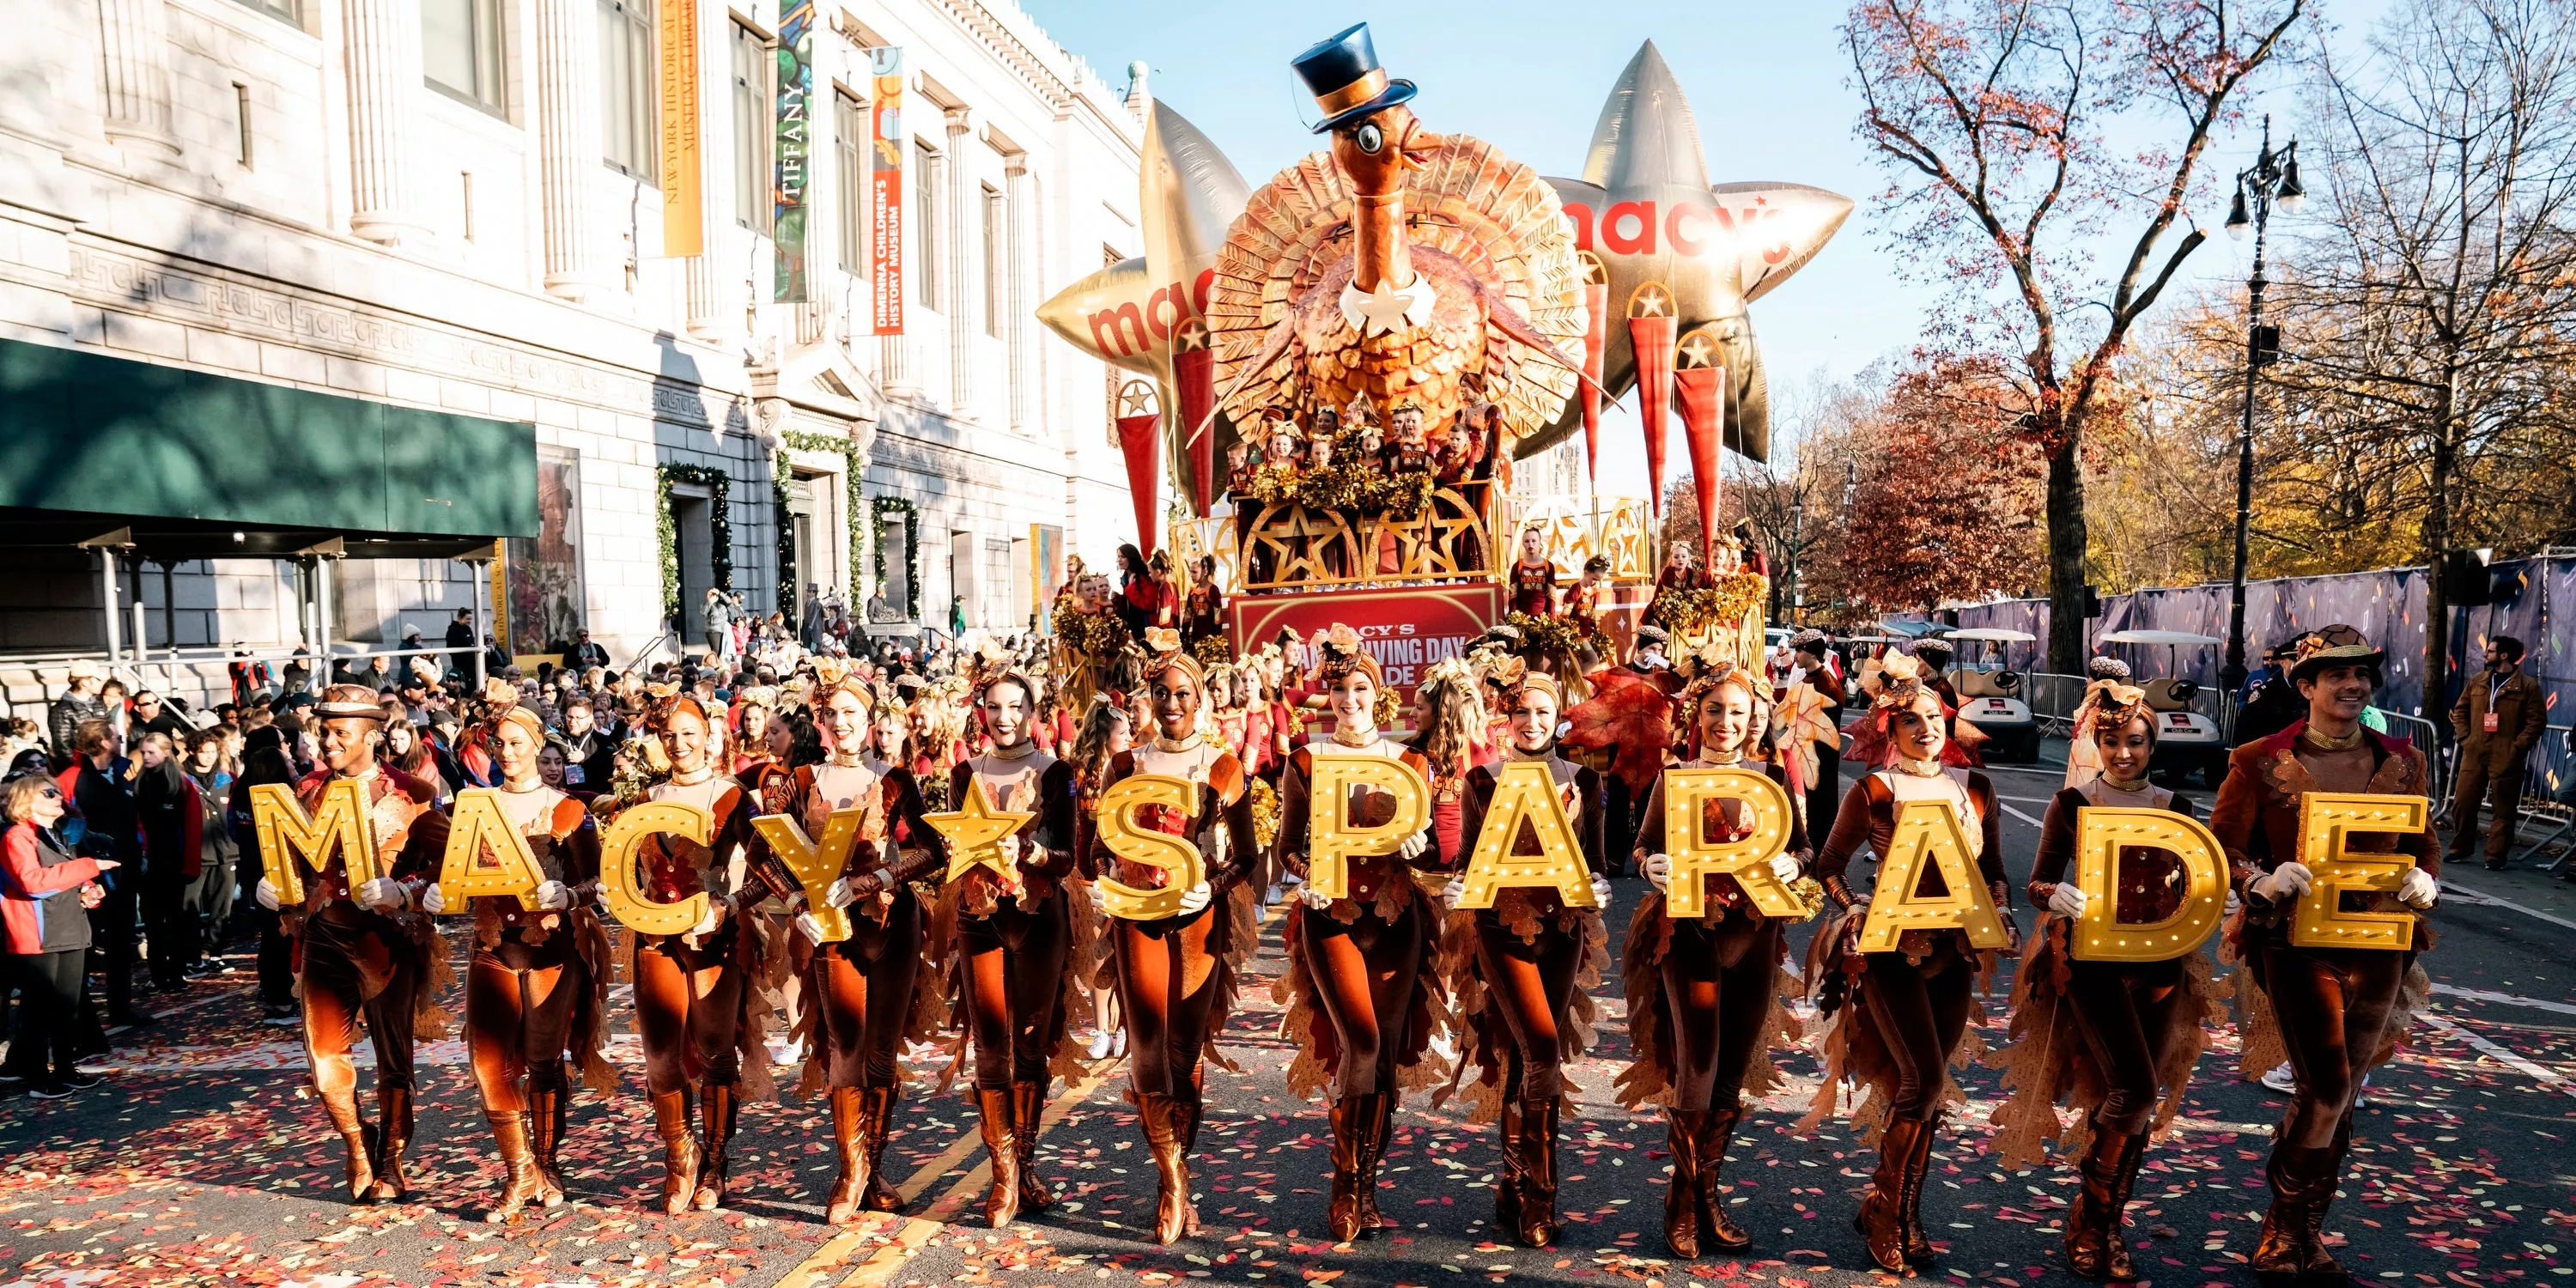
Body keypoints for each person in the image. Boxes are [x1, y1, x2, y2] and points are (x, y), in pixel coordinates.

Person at [2208, 624, 2438, 1287]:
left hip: (2381, 947)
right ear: (2305, 686)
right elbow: (2222, 849)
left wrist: (2429, 878)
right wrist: (2259, 880)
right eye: (2336, 674)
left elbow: (2423, 843)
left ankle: (2301, 1234)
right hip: (2295, 945)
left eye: (2362, 673)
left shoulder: (2403, 758)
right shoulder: (2256, 758)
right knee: (2329, 1085)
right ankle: (2284, 1230)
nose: (2353, 684)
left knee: (2339, 1093)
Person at [1990, 677, 2227, 1279]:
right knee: (2136, 1090)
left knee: (2132, 1103)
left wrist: (2209, 895)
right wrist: (2055, 894)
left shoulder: (2176, 808)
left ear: (2154, 745)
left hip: (2160, 964)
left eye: (2138, 742)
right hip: (2090, 962)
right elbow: (2037, 880)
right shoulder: (2072, 803)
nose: (2126, 753)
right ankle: (2090, 1223)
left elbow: (2196, 877)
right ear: (2096, 742)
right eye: (2114, 741)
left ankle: (2103, 1226)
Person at [1800, 655, 2009, 1273]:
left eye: (1934, 719)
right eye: (1911, 722)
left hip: (1955, 950)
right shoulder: (1875, 790)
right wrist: (1855, 907)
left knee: (1931, 1088)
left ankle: (1905, 1212)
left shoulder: (1975, 788)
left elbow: (1993, 872)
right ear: (1889, 732)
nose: (1926, 730)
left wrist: (2004, 910)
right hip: (1890, 949)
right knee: (1919, 1080)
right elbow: (1829, 868)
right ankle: (1887, 1214)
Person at [1625, 665, 1809, 1258]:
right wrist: (1650, 865)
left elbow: (1804, 845)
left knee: (1730, 1072)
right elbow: (1644, 844)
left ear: (1754, 717)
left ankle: (1708, 1195)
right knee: (1698, 1063)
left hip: (1754, 934)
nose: (1726, 722)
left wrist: (1794, 866)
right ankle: (1681, 1199)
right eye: (1714, 710)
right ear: (1696, 716)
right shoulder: (1674, 776)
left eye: (1737, 711)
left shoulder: (1773, 776)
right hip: (1689, 935)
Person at [1272, 624, 1446, 1242]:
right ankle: (1343, 1185)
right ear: (1330, 697)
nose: (1351, 700)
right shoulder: (1306, 759)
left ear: (1381, 695)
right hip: (1332, 918)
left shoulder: (1410, 762)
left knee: (1387, 1056)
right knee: (1362, 1044)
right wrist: (1304, 876)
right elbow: (1287, 846)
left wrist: (1423, 849)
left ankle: (1367, 1185)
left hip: (1398, 919)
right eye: (1341, 690)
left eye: (1362, 689)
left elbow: (1433, 858)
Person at [753, 663, 940, 1225]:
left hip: (891, 925)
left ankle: (874, 1169)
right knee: (845, 1047)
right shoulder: (802, 780)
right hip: (830, 928)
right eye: (832, 714)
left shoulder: (896, 780)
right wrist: (798, 905)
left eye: (852, 713)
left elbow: (933, 851)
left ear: (870, 719)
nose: (842, 723)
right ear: (823, 721)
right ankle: (850, 1170)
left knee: (882, 1052)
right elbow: (765, 856)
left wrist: (877, 880)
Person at [1435, 664, 1613, 1249]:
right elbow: (1468, 857)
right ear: (1506, 719)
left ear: (1559, 716)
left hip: (1562, 929)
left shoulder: (1584, 781)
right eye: (1522, 712)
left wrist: (1603, 885)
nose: (1532, 722)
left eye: (1543, 711)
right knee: (1541, 1049)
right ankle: (1541, 1198)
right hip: (1500, 927)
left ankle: (1512, 1185)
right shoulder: (1482, 778)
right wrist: (1457, 884)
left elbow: (1597, 861)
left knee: (1526, 1055)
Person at [252, 684, 451, 1204]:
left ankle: (391, 1159)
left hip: (387, 942)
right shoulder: (307, 792)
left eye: (340, 733)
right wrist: (275, 887)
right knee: (322, 1059)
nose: (327, 743)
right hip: (322, 937)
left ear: (373, 735)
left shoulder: (414, 792)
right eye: (323, 732)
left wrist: (405, 890)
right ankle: (357, 1146)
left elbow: (448, 864)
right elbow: (291, 861)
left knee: (394, 1058)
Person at [1086, 645, 1256, 1243]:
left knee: (1185, 1054)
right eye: (1162, 694)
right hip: (1136, 919)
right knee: (1148, 1052)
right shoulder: (1125, 764)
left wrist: (1209, 887)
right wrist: (1101, 884)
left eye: (1183, 694)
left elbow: (1248, 858)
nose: (1172, 704)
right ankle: (1173, 1183)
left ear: (1202, 698)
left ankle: (1176, 1170)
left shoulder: (1224, 766)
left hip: (1196, 919)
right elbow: (1095, 849)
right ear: (1148, 700)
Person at [422, 698, 610, 1222]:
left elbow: (597, 882)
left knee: (545, 1061)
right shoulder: (471, 808)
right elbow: (446, 874)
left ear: (538, 746)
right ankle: (518, 1170)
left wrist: (568, 896)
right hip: (491, 949)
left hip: (552, 951)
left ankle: (547, 1163)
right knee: (488, 1066)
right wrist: (434, 896)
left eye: (518, 743)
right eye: (499, 743)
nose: (508, 752)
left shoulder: (570, 810)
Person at [608, 689, 763, 1214]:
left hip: (715, 937)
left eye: (689, 733)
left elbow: (770, 871)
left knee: (718, 1050)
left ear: (710, 737)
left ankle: (716, 1164)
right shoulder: (646, 801)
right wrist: (613, 889)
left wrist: (727, 905)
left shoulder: (733, 798)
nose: (679, 743)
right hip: (655, 936)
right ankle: (680, 1157)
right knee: (659, 1056)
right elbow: (624, 865)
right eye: (669, 735)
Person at [943, 665, 1081, 1229]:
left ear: (1033, 713)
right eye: (993, 707)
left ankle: (1025, 1164)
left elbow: (1069, 856)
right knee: (990, 1046)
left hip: (1039, 917)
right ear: (982, 713)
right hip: (979, 918)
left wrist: (1025, 850)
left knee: (1031, 1046)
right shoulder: (962, 773)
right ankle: (1002, 1175)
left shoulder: (1057, 773)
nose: (1004, 718)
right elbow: (954, 846)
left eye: (1014, 707)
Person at [2447, 635, 2548, 871]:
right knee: (2463, 801)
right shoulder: (2478, 681)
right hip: (2475, 750)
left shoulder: (2527, 686)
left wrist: (2517, 747)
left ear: (2504, 656)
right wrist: (2465, 738)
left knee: (2504, 808)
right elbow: (2460, 711)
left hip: (2506, 752)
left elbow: (2537, 721)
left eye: (2491, 651)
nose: (2486, 655)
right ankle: (2460, 848)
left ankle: (2496, 855)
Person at [131, 732, 204, 991]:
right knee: (152, 922)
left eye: (151, 752)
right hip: (148, 864)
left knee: (174, 920)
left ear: (165, 752)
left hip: (173, 863)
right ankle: (158, 973)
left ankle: (177, 971)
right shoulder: (140, 783)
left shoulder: (181, 785)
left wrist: (190, 864)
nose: (146, 757)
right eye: (143, 753)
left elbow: (194, 827)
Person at [181, 730, 238, 976]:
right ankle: (193, 958)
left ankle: (217, 954)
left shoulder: (226, 779)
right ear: (193, 751)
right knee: (189, 907)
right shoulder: (181, 779)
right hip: (195, 853)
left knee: (222, 908)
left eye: (212, 752)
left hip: (226, 852)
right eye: (204, 752)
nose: (208, 757)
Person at [1788, 630, 1848, 842]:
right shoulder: (1809, 678)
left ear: (1812, 654)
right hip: (1805, 755)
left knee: (1821, 810)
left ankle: (1820, 857)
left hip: (1820, 759)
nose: (1795, 656)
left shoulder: (1827, 685)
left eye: (1799, 651)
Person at [48, 661, 110, 773]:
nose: (102, 684)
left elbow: (111, 732)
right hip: (80, 770)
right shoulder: (61, 710)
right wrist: (82, 766)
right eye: (98, 680)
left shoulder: (99, 705)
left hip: (104, 764)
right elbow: (61, 745)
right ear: (85, 682)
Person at [1506, 528, 1558, 618]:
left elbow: (1551, 594)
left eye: (1534, 541)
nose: (1530, 544)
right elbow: (1513, 595)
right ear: (1523, 543)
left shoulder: (1549, 566)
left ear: (1539, 542)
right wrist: (1513, 616)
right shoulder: (1517, 566)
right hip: (1522, 618)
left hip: (1543, 618)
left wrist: (1551, 615)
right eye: (1527, 541)